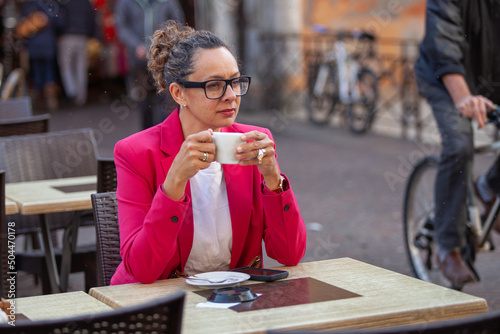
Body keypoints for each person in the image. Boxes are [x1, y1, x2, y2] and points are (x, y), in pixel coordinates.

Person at [110, 20, 307, 285]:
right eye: (214, 86)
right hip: (156, 309)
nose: (231, 96)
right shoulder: (135, 153)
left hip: (230, 302)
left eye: (235, 82)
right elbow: (143, 270)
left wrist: (274, 180)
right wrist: (174, 183)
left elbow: (290, 254)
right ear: (179, 93)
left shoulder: (253, 143)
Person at [414, 0, 500, 285]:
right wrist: (463, 96)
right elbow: (444, 41)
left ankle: (489, 186)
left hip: (490, 79)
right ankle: (447, 245)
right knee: (460, 143)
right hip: (444, 78)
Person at [114, 0, 185, 129]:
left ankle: (166, 134)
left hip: (164, 60)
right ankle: (147, 137)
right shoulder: (126, 3)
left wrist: (164, 44)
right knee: (143, 102)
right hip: (139, 61)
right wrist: (135, 45)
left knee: (166, 100)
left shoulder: (168, 2)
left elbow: (178, 24)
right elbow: (122, 27)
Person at [17, 0, 63, 110]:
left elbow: (21, 27)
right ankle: (50, 96)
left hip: (33, 46)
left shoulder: (28, 6)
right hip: (48, 45)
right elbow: (60, 22)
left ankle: (40, 97)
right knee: (49, 71)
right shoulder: (50, 6)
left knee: (38, 71)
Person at [57, 0, 96, 107]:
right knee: (81, 67)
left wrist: (59, 32)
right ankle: (81, 96)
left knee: (66, 66)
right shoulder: (85, 2)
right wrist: (90, 34)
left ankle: (72, 91)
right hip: (82, 36)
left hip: (67, 36)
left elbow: (59, 18)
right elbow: (92, 18)